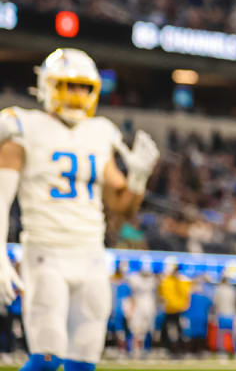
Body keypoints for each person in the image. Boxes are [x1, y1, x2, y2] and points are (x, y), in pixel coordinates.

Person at [0, 48, 160, 371]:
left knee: (84, 361)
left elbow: (122, 207)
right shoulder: (22, 126)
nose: (77, 95)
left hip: (90, 254)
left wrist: (139, 179)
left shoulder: (100, 132)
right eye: (69, 85)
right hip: (46, 251)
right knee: (47, 358)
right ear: (47, 86)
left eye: (84, 87)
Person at [158, 259, 191, 356]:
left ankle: (180, 351)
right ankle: (170, 350)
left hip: (179, 310)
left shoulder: (181, 280)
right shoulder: (166, 281)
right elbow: (162, 296)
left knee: (180, 332)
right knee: (168, 331)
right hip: (169, 310)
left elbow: (187, 295)